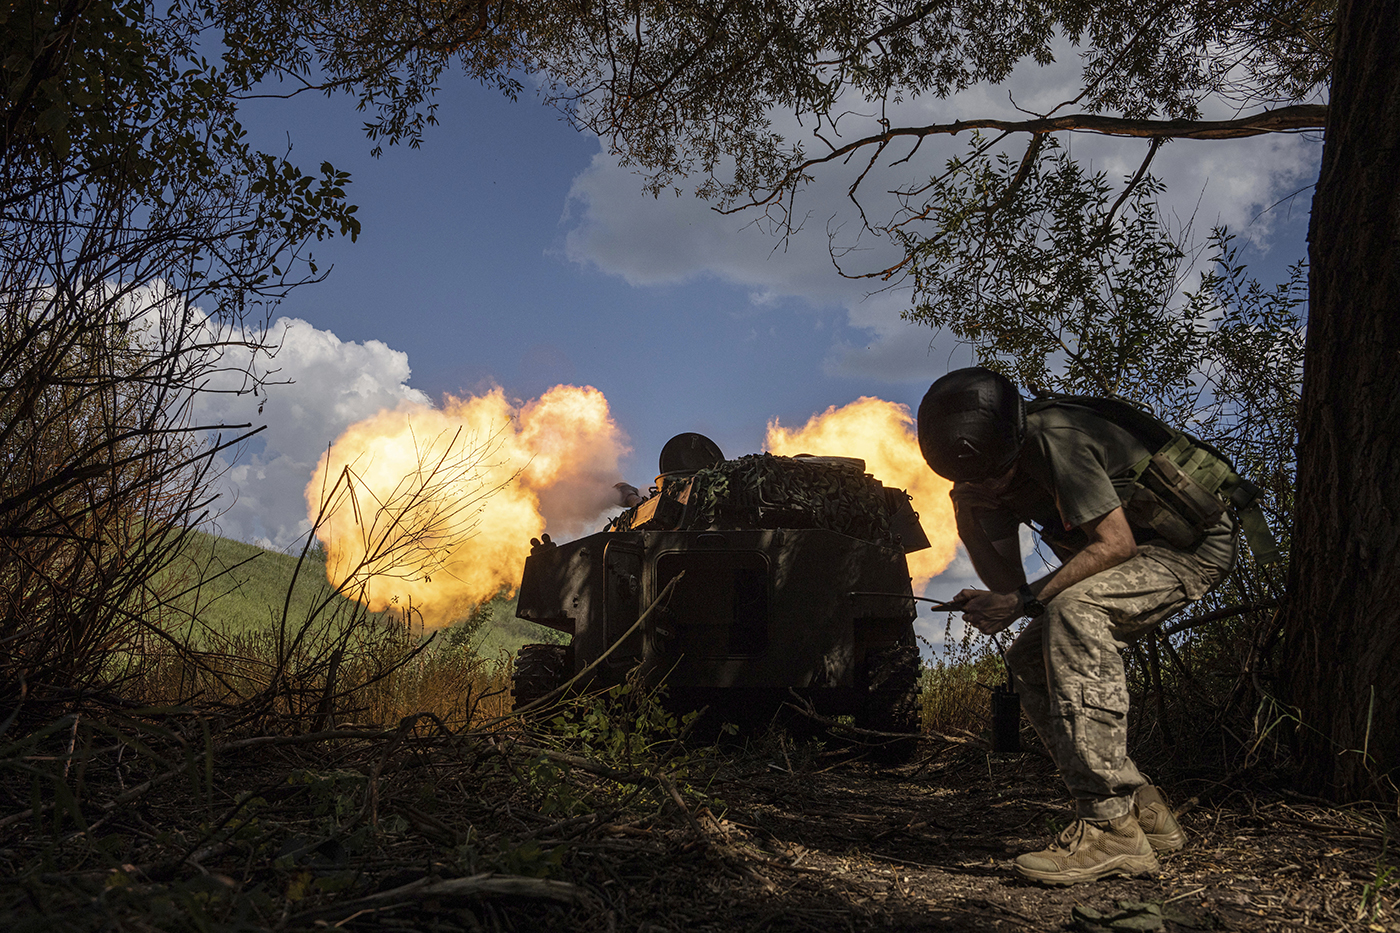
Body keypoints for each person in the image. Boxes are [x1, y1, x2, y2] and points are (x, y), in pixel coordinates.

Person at [916, 367, 1238, 885]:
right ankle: (1143, 810)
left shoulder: (1055, 439)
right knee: (1026, 654)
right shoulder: (978, 478)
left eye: (994, 474)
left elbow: (1116, 546)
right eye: (972, 479)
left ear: (1013, 440)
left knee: (1075, 611)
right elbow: (1007, 585)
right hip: (1133, 552)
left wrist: (1021, 601)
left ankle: (1110, 829)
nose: (987, 484)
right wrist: (972, 522)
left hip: (1188, 548)